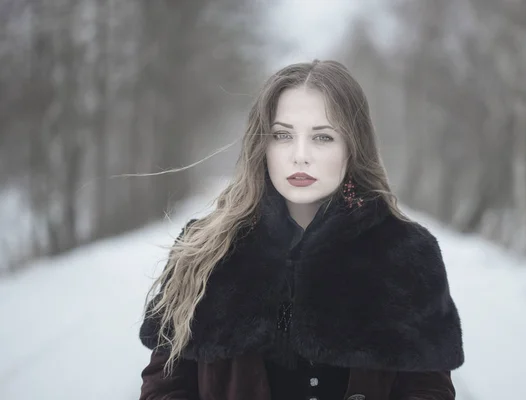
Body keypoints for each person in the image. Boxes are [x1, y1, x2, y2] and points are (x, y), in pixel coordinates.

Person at [138, 59, 464, 400]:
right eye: (282, 135)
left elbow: (428, 390)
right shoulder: (204, 247)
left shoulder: (406, 253)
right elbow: (165, 387)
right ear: (261, 144)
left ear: (353, 146)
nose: (300, 155)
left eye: (322, 137)